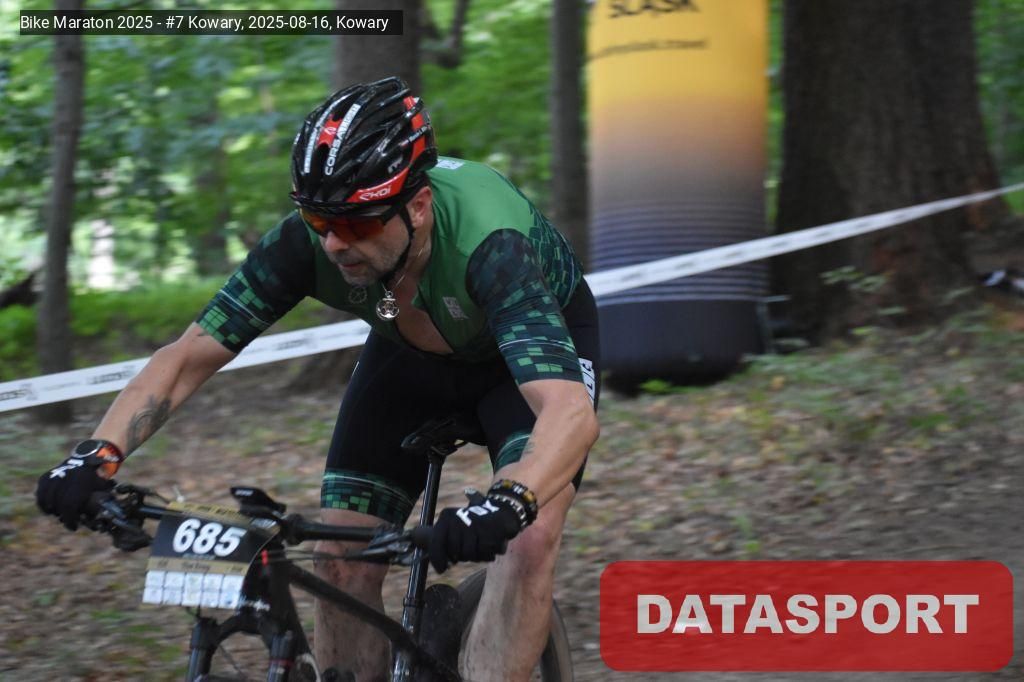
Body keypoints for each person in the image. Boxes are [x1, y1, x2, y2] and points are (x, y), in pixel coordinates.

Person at [36, 76, 600, 682]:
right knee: (340, 556)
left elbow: (567, 412)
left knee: (527, 539)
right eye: (318, 218)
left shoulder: (491, 246)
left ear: (417, 206)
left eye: (357, 224)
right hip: (409, 350)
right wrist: (98, 454)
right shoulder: (308, 243)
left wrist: (511, 501)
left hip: (521, 362)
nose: (333, 243)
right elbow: (190, 353)